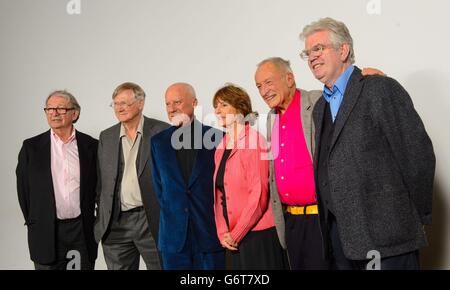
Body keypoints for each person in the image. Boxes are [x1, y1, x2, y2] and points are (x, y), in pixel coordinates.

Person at [299, 17, 435, 270]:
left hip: (389, 239)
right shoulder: (320, 108)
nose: (312, 57)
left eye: (318, 48)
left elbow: (418, 157)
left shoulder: (379, 88)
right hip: (341, 242)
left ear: (343, 50)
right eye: (307, 53)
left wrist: (412, 217)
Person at [255, 57, 384, 270]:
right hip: (292, 222)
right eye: (259, 86)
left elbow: (350, 105)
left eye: (268, 82)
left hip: (321, 218)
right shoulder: (270, 119)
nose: (263, 90)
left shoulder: (317, 101)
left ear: (289, 79)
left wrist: (368, 82)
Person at [16, 90, 98, 270]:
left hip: (80, 231)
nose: (54, 113)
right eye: (49, 109)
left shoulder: (91, 146)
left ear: (74, 113)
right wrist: (36, 220)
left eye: (60, 108)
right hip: (46, 231)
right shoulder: (31, 147)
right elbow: (24, 191)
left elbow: (99, 188)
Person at [212, 84, 288, 270]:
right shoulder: (221, 146)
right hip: (233, 237)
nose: (217, 110)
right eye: (216, 105)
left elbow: (259, 195)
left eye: (223, 105)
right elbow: (219, 194)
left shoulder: (254, 141)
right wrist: (223, 233)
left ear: (239, 108)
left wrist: (236, 233)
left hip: (257, 235)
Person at [94, 82, 169, 270]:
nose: (120, 108)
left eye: (125, 103)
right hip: (115, 223)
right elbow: (100, 181)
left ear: (141, 103)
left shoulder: (162, 131)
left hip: (150, 220)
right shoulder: (107, 136)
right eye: (116, 104)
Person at [150, 82, 225, 270]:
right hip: (174, 241)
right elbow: (160, 190)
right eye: (167, 104)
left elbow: (225, 187)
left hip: (210, 235)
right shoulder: (157, 143)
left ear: (194, 103)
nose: (172, 109)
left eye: (177, 102)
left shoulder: (218, 137)